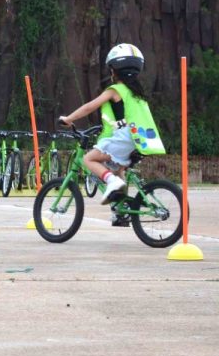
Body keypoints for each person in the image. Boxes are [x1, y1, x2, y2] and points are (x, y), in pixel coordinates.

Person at [58, 43, 165, 223]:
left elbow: (89, 107)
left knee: (88, 159)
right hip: (140, 138)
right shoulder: (137, 94)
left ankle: (112, 183)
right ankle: (120, 212)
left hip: (126, 136)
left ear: (114, 70)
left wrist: (68, 119)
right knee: (118, 169)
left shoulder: (115, 90)